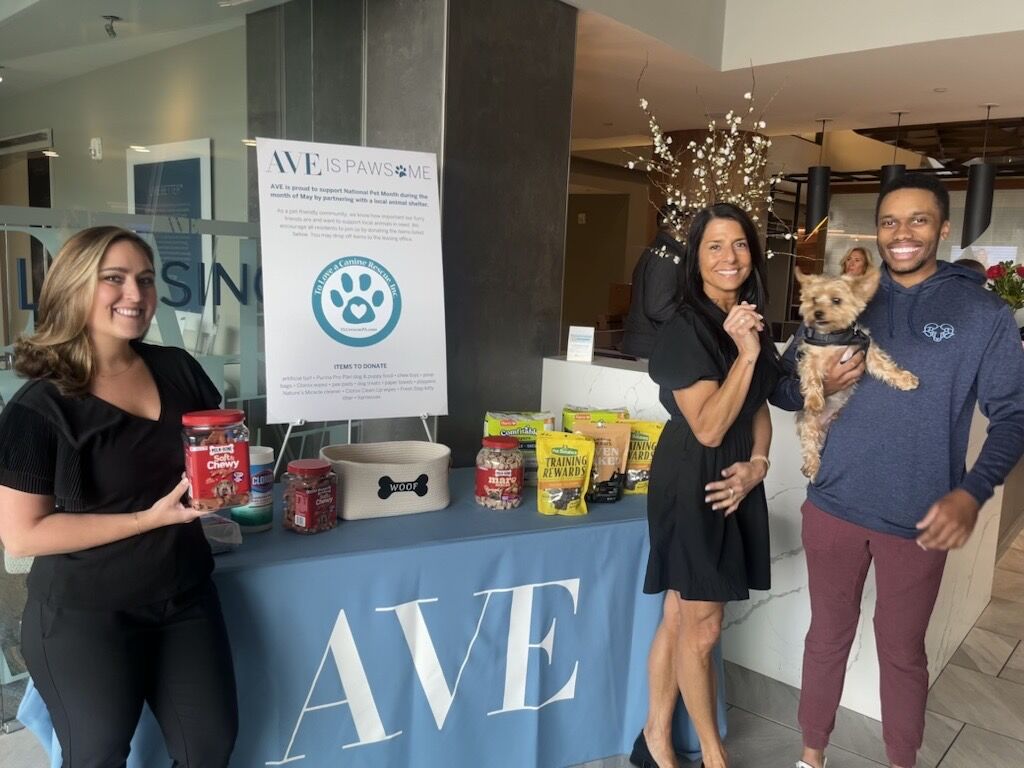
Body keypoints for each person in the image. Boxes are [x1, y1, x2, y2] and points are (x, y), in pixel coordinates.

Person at [770, 173, 1024, 768]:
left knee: (902, 652)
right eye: (890, 221)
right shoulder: (845, 295)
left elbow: (1013, 415)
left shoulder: (981, 313)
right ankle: (811, 758)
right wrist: (818, 387)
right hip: (832, 505)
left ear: (942, 228)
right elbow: (782, 388)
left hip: (918, 516)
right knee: (825, 638)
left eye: (918, 220)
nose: (902, 233)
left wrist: (972, 491)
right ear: (877, 230)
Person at [0, 227, 239, 766]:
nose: (135, 294)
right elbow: (21, 533)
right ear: (74, 289)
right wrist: (146, 519)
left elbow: (215, 451)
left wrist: (223, 487)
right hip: (84, 614)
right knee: (98, 755)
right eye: (114, 279)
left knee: (208, 748)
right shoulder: (39, 409)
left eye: (146, 279)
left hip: (184, 596)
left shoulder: (179, 369)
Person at [631, 203, 780, 768]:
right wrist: (745, 355)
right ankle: (715, 758)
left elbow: (759, 404)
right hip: (695, 480)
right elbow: (712, 424)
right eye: (714, 246)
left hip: (738, 477)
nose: (728, 257)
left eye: (739, 244)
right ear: (695, 259)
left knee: (681, 615)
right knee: (703, 628)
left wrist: (760, 463)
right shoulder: (684, 329)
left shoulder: (747, 317)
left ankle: (656, 741)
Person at [622, 207, 687, 358]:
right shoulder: (667, 257)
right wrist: (692, 318)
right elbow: (657, 308)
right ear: (678, 224)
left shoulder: (658, 251)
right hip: (651, 347)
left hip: (647, 345)